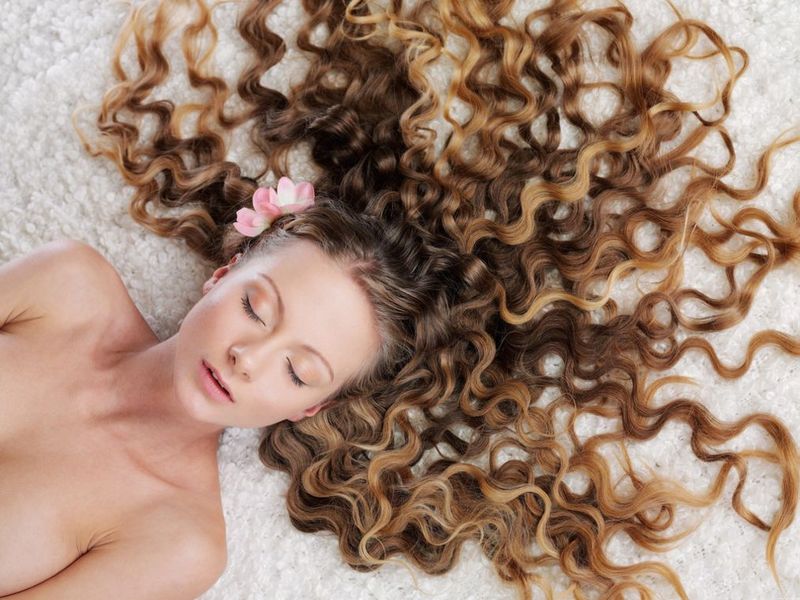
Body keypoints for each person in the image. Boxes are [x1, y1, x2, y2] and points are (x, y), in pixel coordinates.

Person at [2, 0, 799, 598]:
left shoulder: (174, 539)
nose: (248, 360)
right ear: (223, 273)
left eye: (301, 369)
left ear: (310, 409)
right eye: (257, 307)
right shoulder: (67, 289)